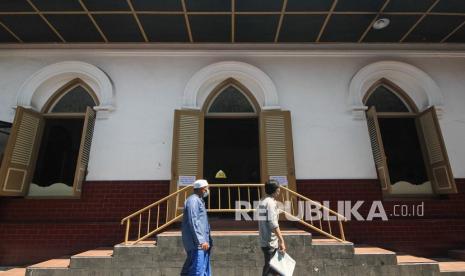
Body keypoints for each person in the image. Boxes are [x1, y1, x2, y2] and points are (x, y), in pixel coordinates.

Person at [181, 179, 212, 276]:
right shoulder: (193, 200)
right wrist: (201, 240)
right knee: (197, 271)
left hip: (201, 244)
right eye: (207, 188)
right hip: (197, 244)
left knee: (202, 270)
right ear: (202, 189)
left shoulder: (199, 200)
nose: (208, 190)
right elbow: (193, 222)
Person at [258, 179, 286, 276]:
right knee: (269, 269)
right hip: (270, 242)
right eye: (278, 189)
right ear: (275, 190)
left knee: (271, 268)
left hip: (264, 240)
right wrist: (281, 240)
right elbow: (273, 224)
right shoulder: (270, 203)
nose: (279, 191)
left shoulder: (263, 201)